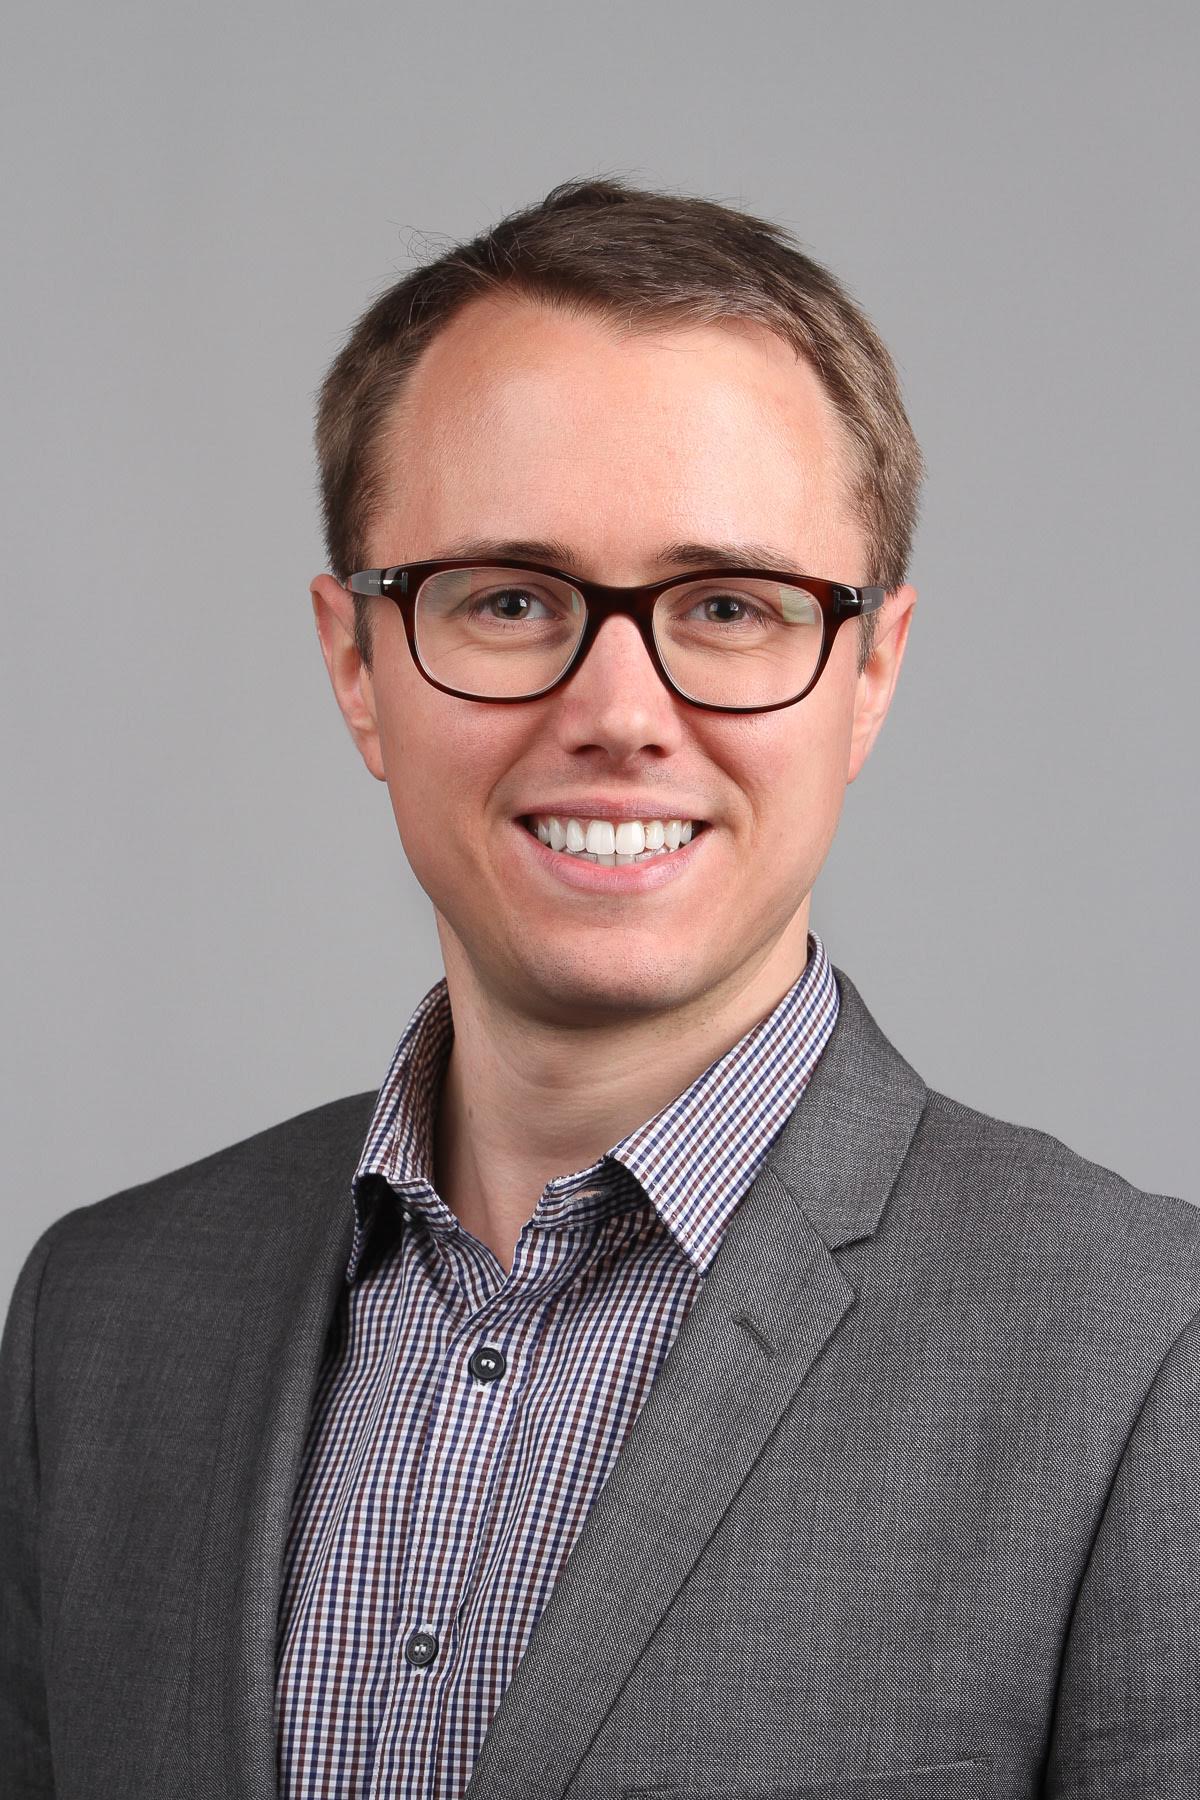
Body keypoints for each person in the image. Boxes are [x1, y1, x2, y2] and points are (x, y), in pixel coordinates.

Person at [2, 176, 1197, 1800]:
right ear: (356, 664)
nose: (620, 712)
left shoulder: (1143, 1352)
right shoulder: (97, 1322)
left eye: (728, 607)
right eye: (510, 598)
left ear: (870, 672)